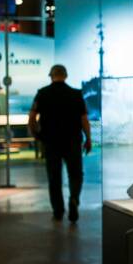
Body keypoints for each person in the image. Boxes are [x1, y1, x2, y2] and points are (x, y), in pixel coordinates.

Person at [28, 65, 92, 222]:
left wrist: (37, 135)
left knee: (54, 176)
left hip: (51, 142)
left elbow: (31, 118)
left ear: (51, 76)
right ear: (66, 76)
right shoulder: (76, 94)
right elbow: (84, 120)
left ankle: (58, 210)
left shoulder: (42, 94)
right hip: (73, 141)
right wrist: (88, 138)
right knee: (75, 174)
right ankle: (74, 199)